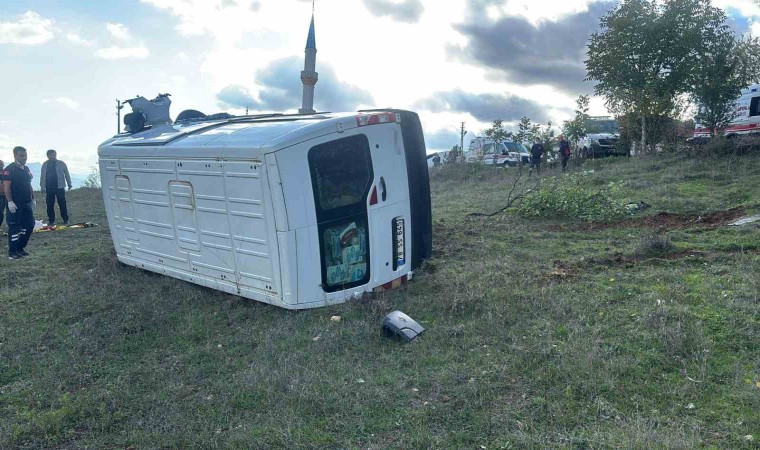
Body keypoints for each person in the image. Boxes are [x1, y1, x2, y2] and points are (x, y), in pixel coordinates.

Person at [3, 146, 36, 260]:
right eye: (21, 156)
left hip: (27, 202)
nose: (24, 158)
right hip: (15, 203)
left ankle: (20, 248)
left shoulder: (26, 169)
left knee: (29, 226)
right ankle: (12, 252)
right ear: (15, 156)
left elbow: (29, 184)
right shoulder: (9, 170)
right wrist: (10, 202)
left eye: (25, 155)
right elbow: (6, 186)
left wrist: (33, 198)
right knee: (14, 228)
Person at [40, 149, 72, 226]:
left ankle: (65, 219)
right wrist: (42, 187)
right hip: (49, 187)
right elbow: (42, 176)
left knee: (62, 204)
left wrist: (69, 183)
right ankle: (51, 220)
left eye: (54, 155)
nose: (52, 156)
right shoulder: (45, 164)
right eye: (51, 155)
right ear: (47, 156)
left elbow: (67, 174)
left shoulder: (61, 163)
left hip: (60, 187)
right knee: (49, 205)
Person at [0, 159, 5, 233]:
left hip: (5, 195)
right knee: (0, 213)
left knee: (2, 211)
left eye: (1, 164)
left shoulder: (5, 173)